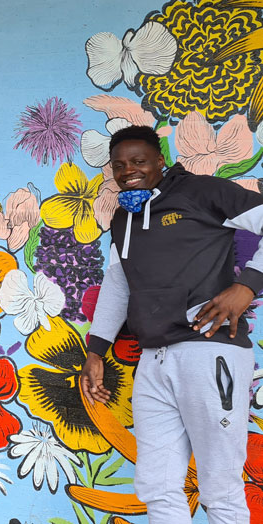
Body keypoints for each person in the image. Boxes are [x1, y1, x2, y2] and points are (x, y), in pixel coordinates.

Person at [81, 125, 262, 523]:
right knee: (157, 486)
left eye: (139, 161)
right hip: (154, 361)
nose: (129, 170)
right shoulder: (124, 219)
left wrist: (247, 286)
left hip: (209, 352)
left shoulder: (203, 192)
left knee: (220, 488)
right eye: (119, 165)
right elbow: (117, 285)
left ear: (160, 160)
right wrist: (96, 351)